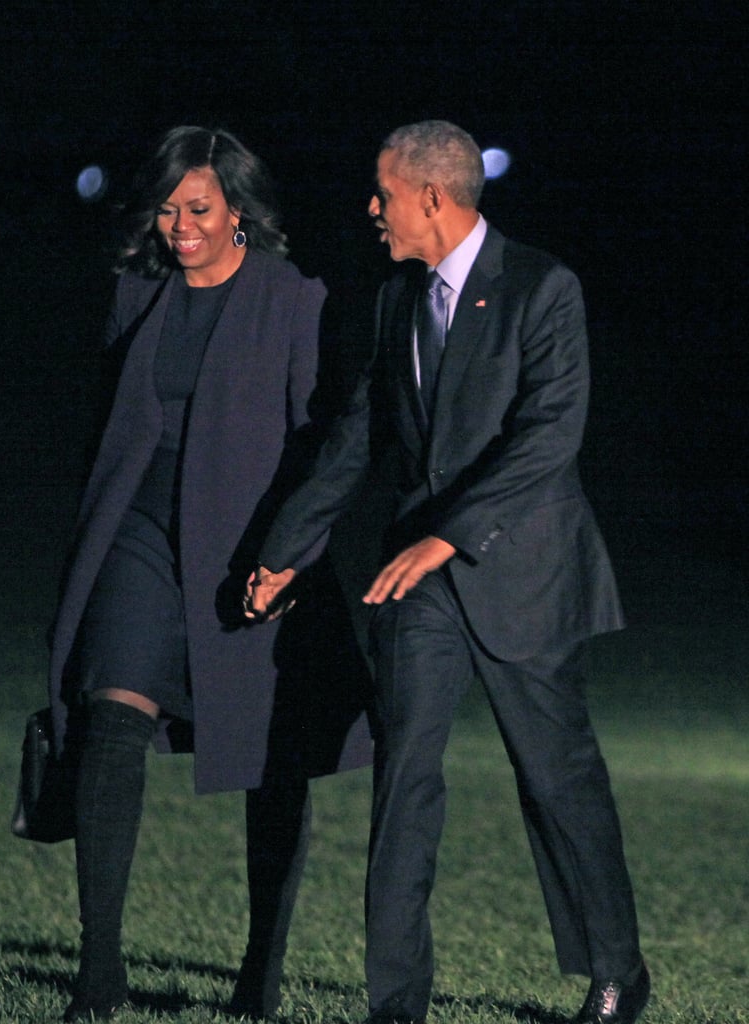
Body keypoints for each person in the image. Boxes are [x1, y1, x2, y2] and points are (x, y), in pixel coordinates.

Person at [246, 120, 650, 1024]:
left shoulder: (543, 287)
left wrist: (450, 535)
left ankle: (617, 971)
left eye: (383, 192)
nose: (372, 209)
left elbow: (549, 435)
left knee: (557, 780)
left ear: (431, 195)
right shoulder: (397, 302)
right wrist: (284, 550)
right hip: (419, 582)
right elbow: (355, 442)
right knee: (406, 779)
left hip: (525, 572)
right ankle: (395, 1002)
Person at [46, 125, 372, 1021]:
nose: (179, 226)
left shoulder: (292, 298)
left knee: (274, 754)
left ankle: (259, 971)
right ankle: (98, 969)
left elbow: (321, 444)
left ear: (239, 210)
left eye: (198, 208)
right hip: (139, 534)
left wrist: (291, 553)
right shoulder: (135, 294)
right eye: (166, 208)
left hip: (250, 543)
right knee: (109, 719)